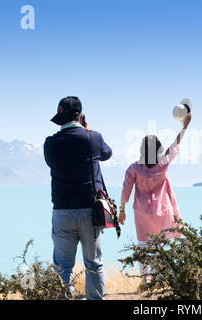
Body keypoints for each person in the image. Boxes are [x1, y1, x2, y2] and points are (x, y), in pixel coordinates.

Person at [43, 96, 112, 300]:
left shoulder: (50, 143)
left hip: (62, 211)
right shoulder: (93, 138)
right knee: (93, 264)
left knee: (62, 267)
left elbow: (52, 163)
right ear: (81, 117)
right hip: (91, 212)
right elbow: (107, 153)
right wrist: (88, 131)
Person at [119, 114, 192, 286]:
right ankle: (157, 280)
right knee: (158, 248)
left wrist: (121, 210)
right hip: (161, 211)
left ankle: (144, 282)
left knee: (143, 248)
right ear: (159, 150)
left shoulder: (134, 168)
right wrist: (184, 127)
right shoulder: (163, 163)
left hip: (141, 214)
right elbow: (175, 145)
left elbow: (126, 190)